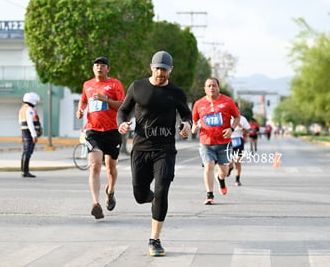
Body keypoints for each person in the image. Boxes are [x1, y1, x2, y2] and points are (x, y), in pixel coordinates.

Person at [117, 51, 192, 257]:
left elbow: (186, 114)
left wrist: (186, 124)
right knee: (140, 195)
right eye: (157, 68)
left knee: (161, 190)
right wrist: (122, 124)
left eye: (164, 69)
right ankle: (152, 200)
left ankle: (154, 239)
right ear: (151, 67)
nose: (160, 73)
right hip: (141, 148)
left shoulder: (176, 92)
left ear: (170, 70)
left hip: (165, 150)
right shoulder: (137, 87)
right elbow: (123, 110)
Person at [76, 56, 125, 220]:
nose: (99, 68)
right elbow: (83, 100)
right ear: (93, 68)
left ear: (108, 69)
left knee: (111, 169)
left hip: (112, 130)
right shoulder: (87, 85)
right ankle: (96, 204)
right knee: (95, 165)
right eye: (96, 65)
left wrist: (106, 100)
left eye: (103, 65)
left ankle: (110, 191)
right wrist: (80, 110)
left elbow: (122, 104)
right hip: (93, 131)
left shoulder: (115, 84)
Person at [191, 78, 240, 205]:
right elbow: (194, 122)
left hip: (224, 143)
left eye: (214, 85)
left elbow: (237, 117)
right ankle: (209, 194)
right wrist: (194, 128)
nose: (211, 88)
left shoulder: (228, 101)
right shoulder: (198, 104)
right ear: (205, 89)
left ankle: (221, 179)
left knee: (224, 171)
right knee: (209, 165)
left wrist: (231, 128)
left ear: (218, 87)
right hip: (206, 142)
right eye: (209, 86)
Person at [19, 92, 42, 178]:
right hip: (29, 133)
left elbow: (20, 122)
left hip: (24, 132)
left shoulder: (22, 109)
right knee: (28, 152)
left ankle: (23, 170)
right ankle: (25, 171)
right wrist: (34, 135)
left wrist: (22, 134)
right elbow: (30, 123)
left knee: (25, 151)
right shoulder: (29, 110)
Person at [228, 104, 250, 186]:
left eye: (236, 109)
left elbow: (248, 131)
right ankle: (230, 167)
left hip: (239, 141)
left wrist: (241, 127)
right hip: (228, 141)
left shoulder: (242, 119)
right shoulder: (226, 118)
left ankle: (237, 180)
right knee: (229, 161)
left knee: (238, 161)